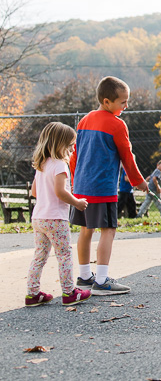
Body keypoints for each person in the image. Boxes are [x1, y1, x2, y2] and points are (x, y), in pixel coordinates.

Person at [70, 76, 147, 296]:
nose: (126, 106)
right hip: (102, 187)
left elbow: (75, 156)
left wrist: (76, 182)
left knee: (86, 230)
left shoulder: (84, 121)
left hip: (82, 187)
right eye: (123, 102)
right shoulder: (117, 124)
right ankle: (102, 281)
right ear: (107, 102)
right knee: (109, 229)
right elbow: (127, 157)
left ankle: (84, 277)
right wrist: (138, 181)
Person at [25, 122, 92, 307]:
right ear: (59, 144)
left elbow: (34, 192)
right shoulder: (60, 165)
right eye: (70, 145)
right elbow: (60, 192)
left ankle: (32, 293)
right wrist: (77, 202)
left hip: (39, 217)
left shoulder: (42, 164)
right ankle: (69, 292)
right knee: (64, 255)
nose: (72, 149)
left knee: (40, 256)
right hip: (55, 219)